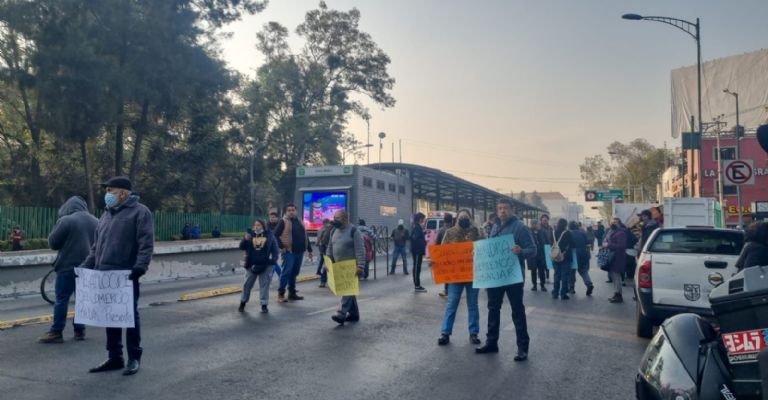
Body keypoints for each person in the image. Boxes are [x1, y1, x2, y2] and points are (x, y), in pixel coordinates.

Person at [81, 176, 154, 376]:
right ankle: (115, 357)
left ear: (122, 193)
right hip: (105, 274)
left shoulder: (140, 212)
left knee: (129, 317)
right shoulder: (106, 214)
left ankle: (134, 357)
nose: (107, 194)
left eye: (109, 190)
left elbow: (146, 243)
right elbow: (96, 246)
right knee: (110, 316)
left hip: (126, 274)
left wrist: (140, 267)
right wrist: (85, 267)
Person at [476, 199, 535, 361]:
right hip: (496, 276)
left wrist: (521, 250)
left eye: (506, 208)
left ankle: (522, 348)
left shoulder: (520, 227)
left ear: (512, 210)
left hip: (513, 276)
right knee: (493, 308)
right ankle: (491, 343)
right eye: (500, 208)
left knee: (517, 311)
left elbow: (533, 250)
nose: (502, 211)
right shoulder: (495, 226)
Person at [38, 196, 98, 344]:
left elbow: (53, 243)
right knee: (82, 300)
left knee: (61, 300)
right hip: (88, 267)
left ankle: (56, 332)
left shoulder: (66, 220)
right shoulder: (96, 221)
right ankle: (80, 330)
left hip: (67, 266)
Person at [437, 209, 484, 346]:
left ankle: (473, 333)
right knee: (452, 303)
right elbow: (443, 251)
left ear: (470, 218)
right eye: (461, 216)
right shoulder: (450, 232)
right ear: (457, 218)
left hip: (473, 274)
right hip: (455, 276)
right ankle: (445, 333)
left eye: (466, 216)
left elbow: (484, 248)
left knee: (473, 305)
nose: (464, 218)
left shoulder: (478, 232)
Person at [326, 210, 365, 325]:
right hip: (339, 267)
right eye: (334, 218)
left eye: (337, 218)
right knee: (349, 290)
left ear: (345, 219)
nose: (335, 220)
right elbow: (330, 247)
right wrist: (327, 262)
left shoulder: (354, 231)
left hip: (351, 267)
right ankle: (354, 314)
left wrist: (360, 266)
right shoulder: (333, 231)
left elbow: (360, 249)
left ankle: (341, 313)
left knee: (347, 289)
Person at [274, 203, 313, 303]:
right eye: (289, 210)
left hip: (300, 251)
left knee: (294, 273)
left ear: (296, 211)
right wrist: (281, 247)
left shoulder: (300, 221)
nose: (291, 212)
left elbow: (305, 236)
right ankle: (281, 294)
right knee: (286, 272)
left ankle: (292, 293)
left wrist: (310, 249)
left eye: (293, 210)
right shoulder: (283, 221)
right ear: (286, 212)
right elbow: (275, 235)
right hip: (289, 252)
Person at [238, 220, 279, 313]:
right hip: (251, 264)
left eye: (259, 225)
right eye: (255, 225)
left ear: (263, 226)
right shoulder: (250, 235)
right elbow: (241, 247)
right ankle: (242, 303)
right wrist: (245, 239)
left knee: (264, 285)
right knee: (247, 284)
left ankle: (264, 305)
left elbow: (275, 250)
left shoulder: (269, 235)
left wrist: (272, 261)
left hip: (266, 265)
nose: (256, 227)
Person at [603, 217, 628, 303]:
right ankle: (616, 293)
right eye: (612, 222)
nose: (613, 223)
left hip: (618, 257)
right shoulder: (613, 231)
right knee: (614, 276)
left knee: (616, 277)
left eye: (615, 222)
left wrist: (608, 245)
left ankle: (618, 295)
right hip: (613, 257)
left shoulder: (621, 233)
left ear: (619, 223)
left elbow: (621, 246)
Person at [568, 221, 594, 296]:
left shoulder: (569, 234)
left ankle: (571, 288)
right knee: (583, 271)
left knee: (571, 272)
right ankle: (589, 284)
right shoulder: (582, 233)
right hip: (583, 254)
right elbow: (588, 244)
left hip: (572, 255)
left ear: (569, 227)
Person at [551, 218, 574, 300]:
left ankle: (555, 293)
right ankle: (563, 294)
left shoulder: (553, 232)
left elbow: (550, 242)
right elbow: (573, 244)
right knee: (565, 276)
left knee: (556, 275)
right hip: (566, 257)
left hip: (555, 256)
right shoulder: (568, 233)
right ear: (565, 225)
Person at [435, 213, 455, 297]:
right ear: (452, 220)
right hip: (455, 255)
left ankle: (446, 290)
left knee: (447, 273)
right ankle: (453, 290)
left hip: (445, 255)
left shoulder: (441, 230)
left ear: (444, 220)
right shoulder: (455, 229)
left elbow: (437, 243)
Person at [410, 212, 427, 292]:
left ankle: (417, 285)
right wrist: (424, 243)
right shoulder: (417, 227)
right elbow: (416, 238)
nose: (424, 220)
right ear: (420, 219)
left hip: (417, 250)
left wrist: (423, 233)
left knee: (417, 267)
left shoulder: (416, 226)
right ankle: (417, 285)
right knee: (417, 268)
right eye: (423, 219)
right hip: (417, 251)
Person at [528, 220, 547, 292]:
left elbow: (545, 241)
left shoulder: (542, 232)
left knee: (541, 270)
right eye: (533, 224)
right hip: (532, 255)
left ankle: (542, 285)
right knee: (533, 270)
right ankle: (534, 285)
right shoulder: (529, 232)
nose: (534, 225)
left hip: (541, 254)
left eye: (536, 224)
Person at [315, 219, 332, 287]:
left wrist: (317, 243)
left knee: (323, 260)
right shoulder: (326, 229)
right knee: (325, 261)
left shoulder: (322, 229)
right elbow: (321, 238)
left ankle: (322, 277)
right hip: (325, 247)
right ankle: (323, 279)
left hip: (323, 247)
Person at [539, 214, 554, 282]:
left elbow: (552, 237)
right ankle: (541, 277)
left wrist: (552, 244)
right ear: (541, 220)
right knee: (541, 263)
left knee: (548, 262)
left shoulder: (550, 228)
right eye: (543, 219)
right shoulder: (539, 227)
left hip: (548, 246)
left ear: (548, 220)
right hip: (541, 247)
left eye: (546, 219)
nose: (545, 220)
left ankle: (547, 276)